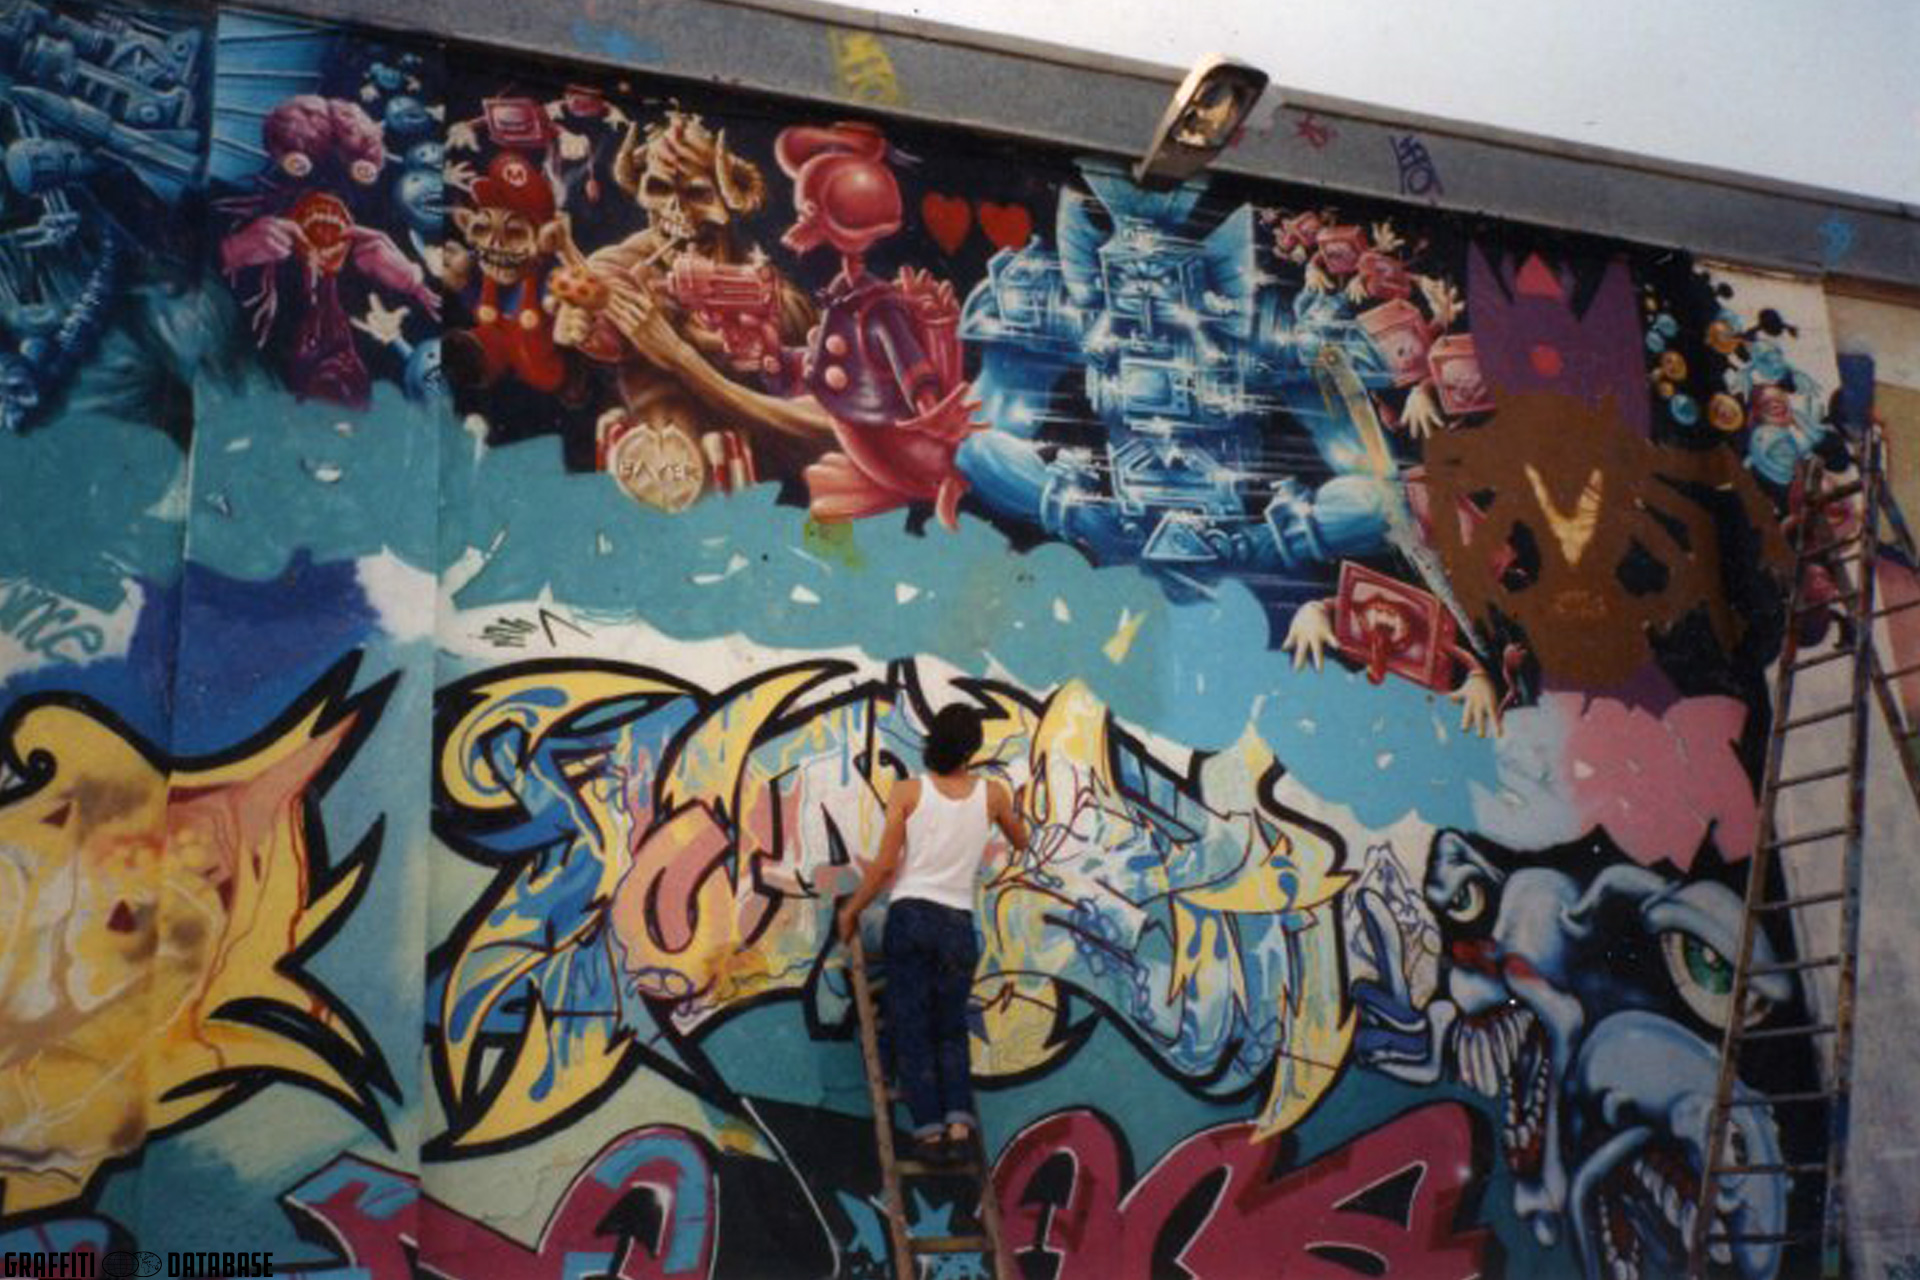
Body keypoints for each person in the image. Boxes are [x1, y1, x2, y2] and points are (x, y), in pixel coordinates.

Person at [836, 705, 1028, 1162]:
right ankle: (959, 1126)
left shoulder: (908, 791)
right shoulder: (992, 794)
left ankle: (929, 1132)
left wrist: (851, 911)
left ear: (932, 740)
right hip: (958, 923)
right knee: (951, 1027)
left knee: (912, 1026)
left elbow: (885, 866)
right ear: (972, 749)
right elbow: (1021, 841)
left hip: (912, 917)